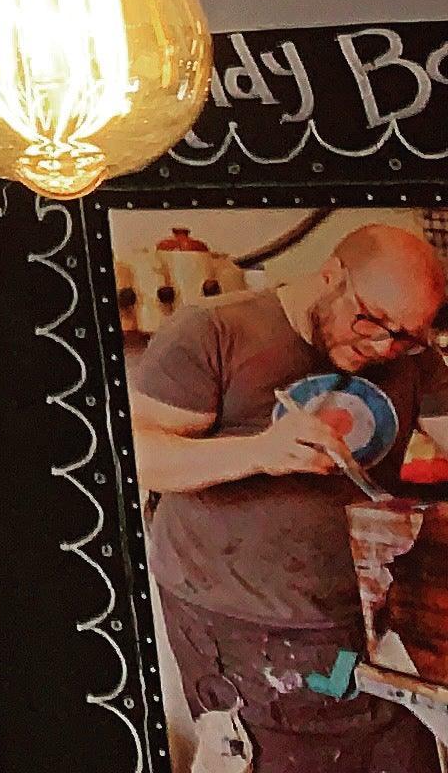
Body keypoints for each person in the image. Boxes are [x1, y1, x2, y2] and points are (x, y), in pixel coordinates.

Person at [134, 222, 448, 772]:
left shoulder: (409, 354)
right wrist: (257, 452)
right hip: (234, 620)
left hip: (366, 613)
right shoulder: (215, 331)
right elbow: (137, 455)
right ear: (331, 275)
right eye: (371, 322)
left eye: (404, 335)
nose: (383, 346)